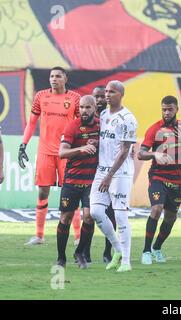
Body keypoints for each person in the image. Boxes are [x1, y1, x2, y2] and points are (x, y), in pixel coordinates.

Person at [19, 66, 81, 246]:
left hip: (66, 152)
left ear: (65, 79)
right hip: (45, 151)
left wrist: (79, 148)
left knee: (71, 193)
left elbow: (79, 126)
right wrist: (23, 144)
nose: (54, 79)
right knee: (42, 191)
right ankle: (39, 235)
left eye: (58, 76)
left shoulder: (74, 99)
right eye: (52, 76)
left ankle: (78, 237)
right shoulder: (40, 96)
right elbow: (31, 123)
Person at [90, 80, 137, 273]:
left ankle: (126, 261)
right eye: (106, 91)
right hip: (102, 169)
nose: (107, 95)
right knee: (95, 212)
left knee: (120, 214)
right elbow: (108, 142)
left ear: (121, 94)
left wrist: (110, 175)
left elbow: (125, 150)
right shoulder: (102, 114)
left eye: (112, 92)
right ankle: (117, 250)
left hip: (120, 172)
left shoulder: (128, 118)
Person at [138, 95, 181, 265]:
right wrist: (154, 153)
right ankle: (146, 251)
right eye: (164, 109)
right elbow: (141, 153)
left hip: (177, 180)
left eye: (170, 109)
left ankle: (157, 248)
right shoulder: (154, 129)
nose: (166, 112)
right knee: (156, 209)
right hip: (158, 176)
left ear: (176, 109)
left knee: (171, 217)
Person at [56, 95, 99, 268]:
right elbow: (61, 152)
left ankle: (80, 251)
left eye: (88, 107)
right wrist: (81, 148)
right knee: (65, 218)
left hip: (92, 180)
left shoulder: (101, 125)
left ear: (94, 108)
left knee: (89, 217)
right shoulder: (72, 126)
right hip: (72, 180)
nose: (84, 111)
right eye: (81, 107)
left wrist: (99, 142)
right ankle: (61, 258)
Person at [89, 85, 116, 263]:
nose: (99, 99)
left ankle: (108, 252)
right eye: (96, 97)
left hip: (110, 171)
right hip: (90, 171)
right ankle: (84, 252)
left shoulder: (112, 118)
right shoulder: (86, 120)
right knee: (90, 213)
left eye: (101, 96)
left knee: (111, 213)